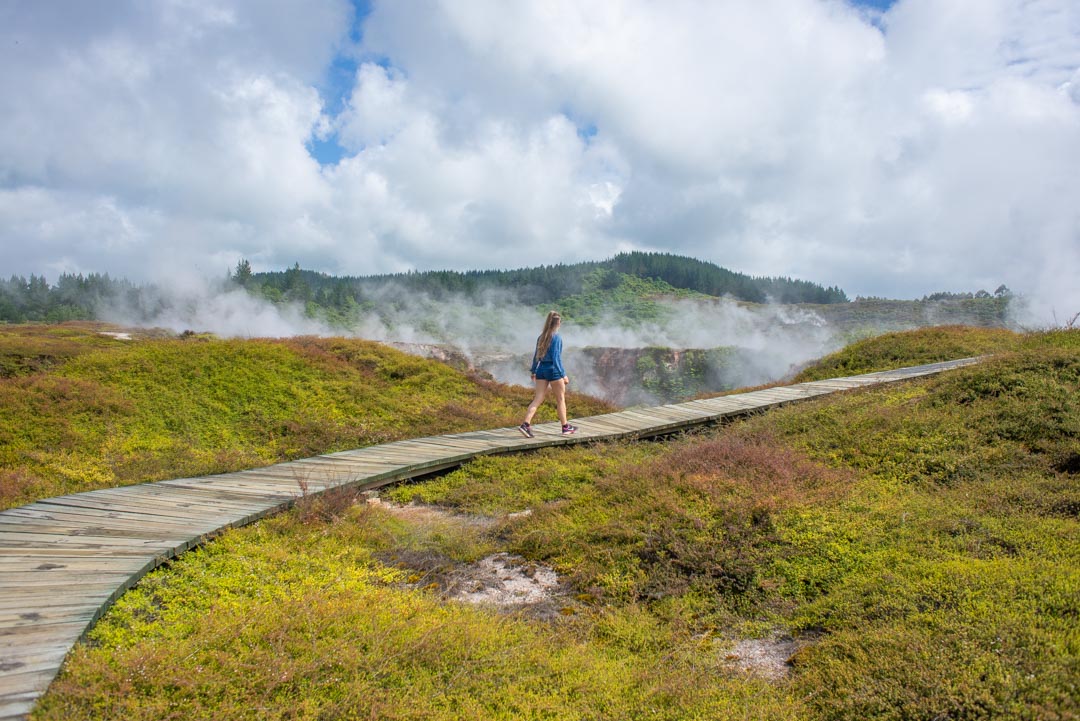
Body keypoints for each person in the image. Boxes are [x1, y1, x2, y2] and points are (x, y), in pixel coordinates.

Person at [519, 310, 577, 437]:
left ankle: (525, 424)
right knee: (560, 399)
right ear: (558, 323)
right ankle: (565, 427)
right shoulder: (556, 337)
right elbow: (556, 358)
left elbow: (536, 356)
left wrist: (534, 371)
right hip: (553, 370)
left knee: (537, 399)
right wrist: (563, 374)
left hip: (541, 370)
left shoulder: (541, 337)